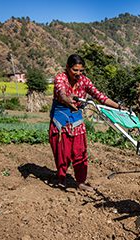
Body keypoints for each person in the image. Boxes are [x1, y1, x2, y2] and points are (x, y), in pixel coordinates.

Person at [49, 54, 122, 192]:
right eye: (75, 70)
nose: (78, 74)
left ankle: (81, 181)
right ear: (67, 68)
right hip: (61, 120)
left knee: (80, 152)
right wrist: (66, 99)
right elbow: (61, 91)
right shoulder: (61, 78)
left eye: (81, 71)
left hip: (76, 120)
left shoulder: (84, 81)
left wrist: (118, 107)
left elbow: (100, 96)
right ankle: (62, 178)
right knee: (62, 153)